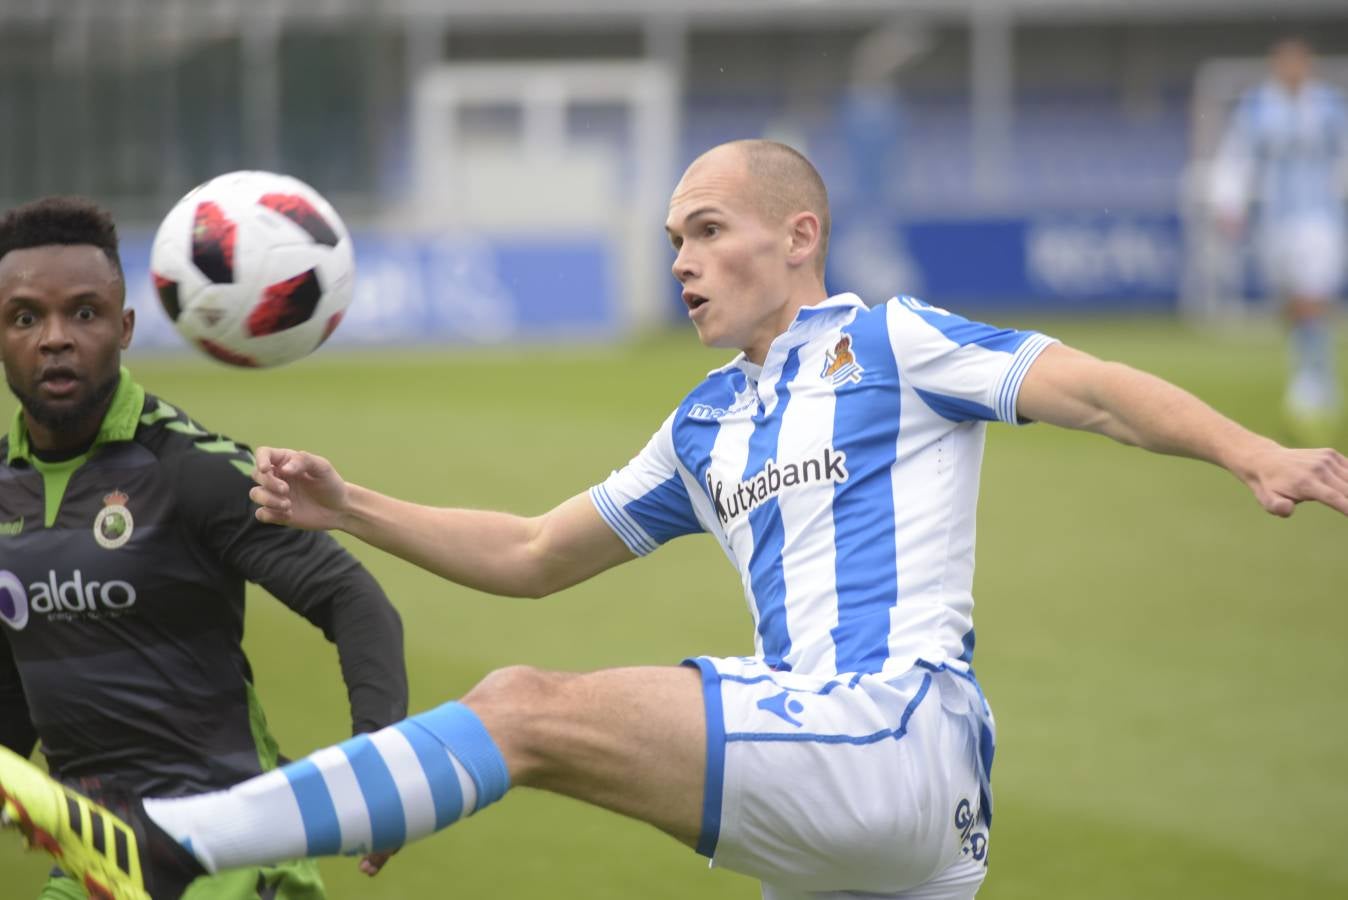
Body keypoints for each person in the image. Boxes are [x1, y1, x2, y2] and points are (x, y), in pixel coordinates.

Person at [3, 141, 1348, 900]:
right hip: (870, 822)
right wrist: (354, 505)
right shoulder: (706, 425)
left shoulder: (890, 342)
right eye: (672, 245)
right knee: (529, 676)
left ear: (798, 236)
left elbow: (1097, 391)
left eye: (708, 232)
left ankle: (179, 840)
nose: (686, 263)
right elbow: (533, 554)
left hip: (893, 728)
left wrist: (1251, 450)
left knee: (525, 709)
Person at [0, 196, 409, 899]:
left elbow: (352, 599)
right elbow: (15, 677)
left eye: (85, 313)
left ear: (125, 329)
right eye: (26, 317)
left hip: (229, 855)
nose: (56, 338)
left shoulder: (192, 469)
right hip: (95, 860)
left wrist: (380, 774)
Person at [1211, 35, 1348, 440]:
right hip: (1275, 219)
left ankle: (1314, 382)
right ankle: (1307, 368)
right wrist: (1230, 205)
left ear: (1308, 65)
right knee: (1291, 300)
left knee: (1314, 294)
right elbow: (1237, 156)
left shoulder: (1329, 105)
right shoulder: (1257, 106)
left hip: (1320, 217)